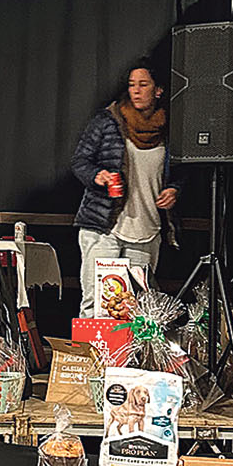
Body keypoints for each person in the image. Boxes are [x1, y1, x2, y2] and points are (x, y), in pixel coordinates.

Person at [71, 59, 179, 317]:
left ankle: (129, 347)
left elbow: (179, 171)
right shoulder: (108, 121)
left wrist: (174, 189)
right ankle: (91, 344)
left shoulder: (169, 127)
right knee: (97, 303)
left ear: (158, 90)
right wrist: (97, 175)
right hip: (105, 226)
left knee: (137, 306)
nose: (136, 90)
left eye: (143, 84)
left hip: (146, 228)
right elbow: (79, 161)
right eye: (132, 85)